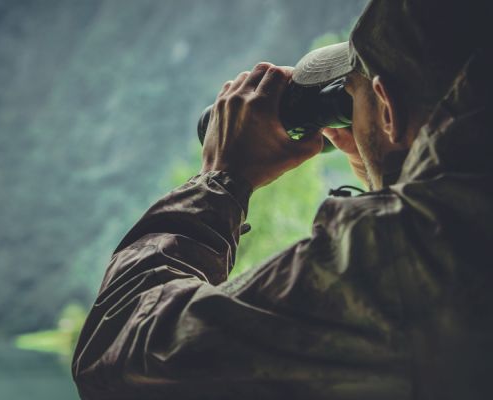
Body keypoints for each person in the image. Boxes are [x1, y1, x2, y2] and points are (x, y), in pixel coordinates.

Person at [72, 0, 492, 398]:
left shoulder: (415, 256)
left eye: (352, 93)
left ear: (387, 108)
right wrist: (382, 169)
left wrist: (220, 180)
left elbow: (118, 357)